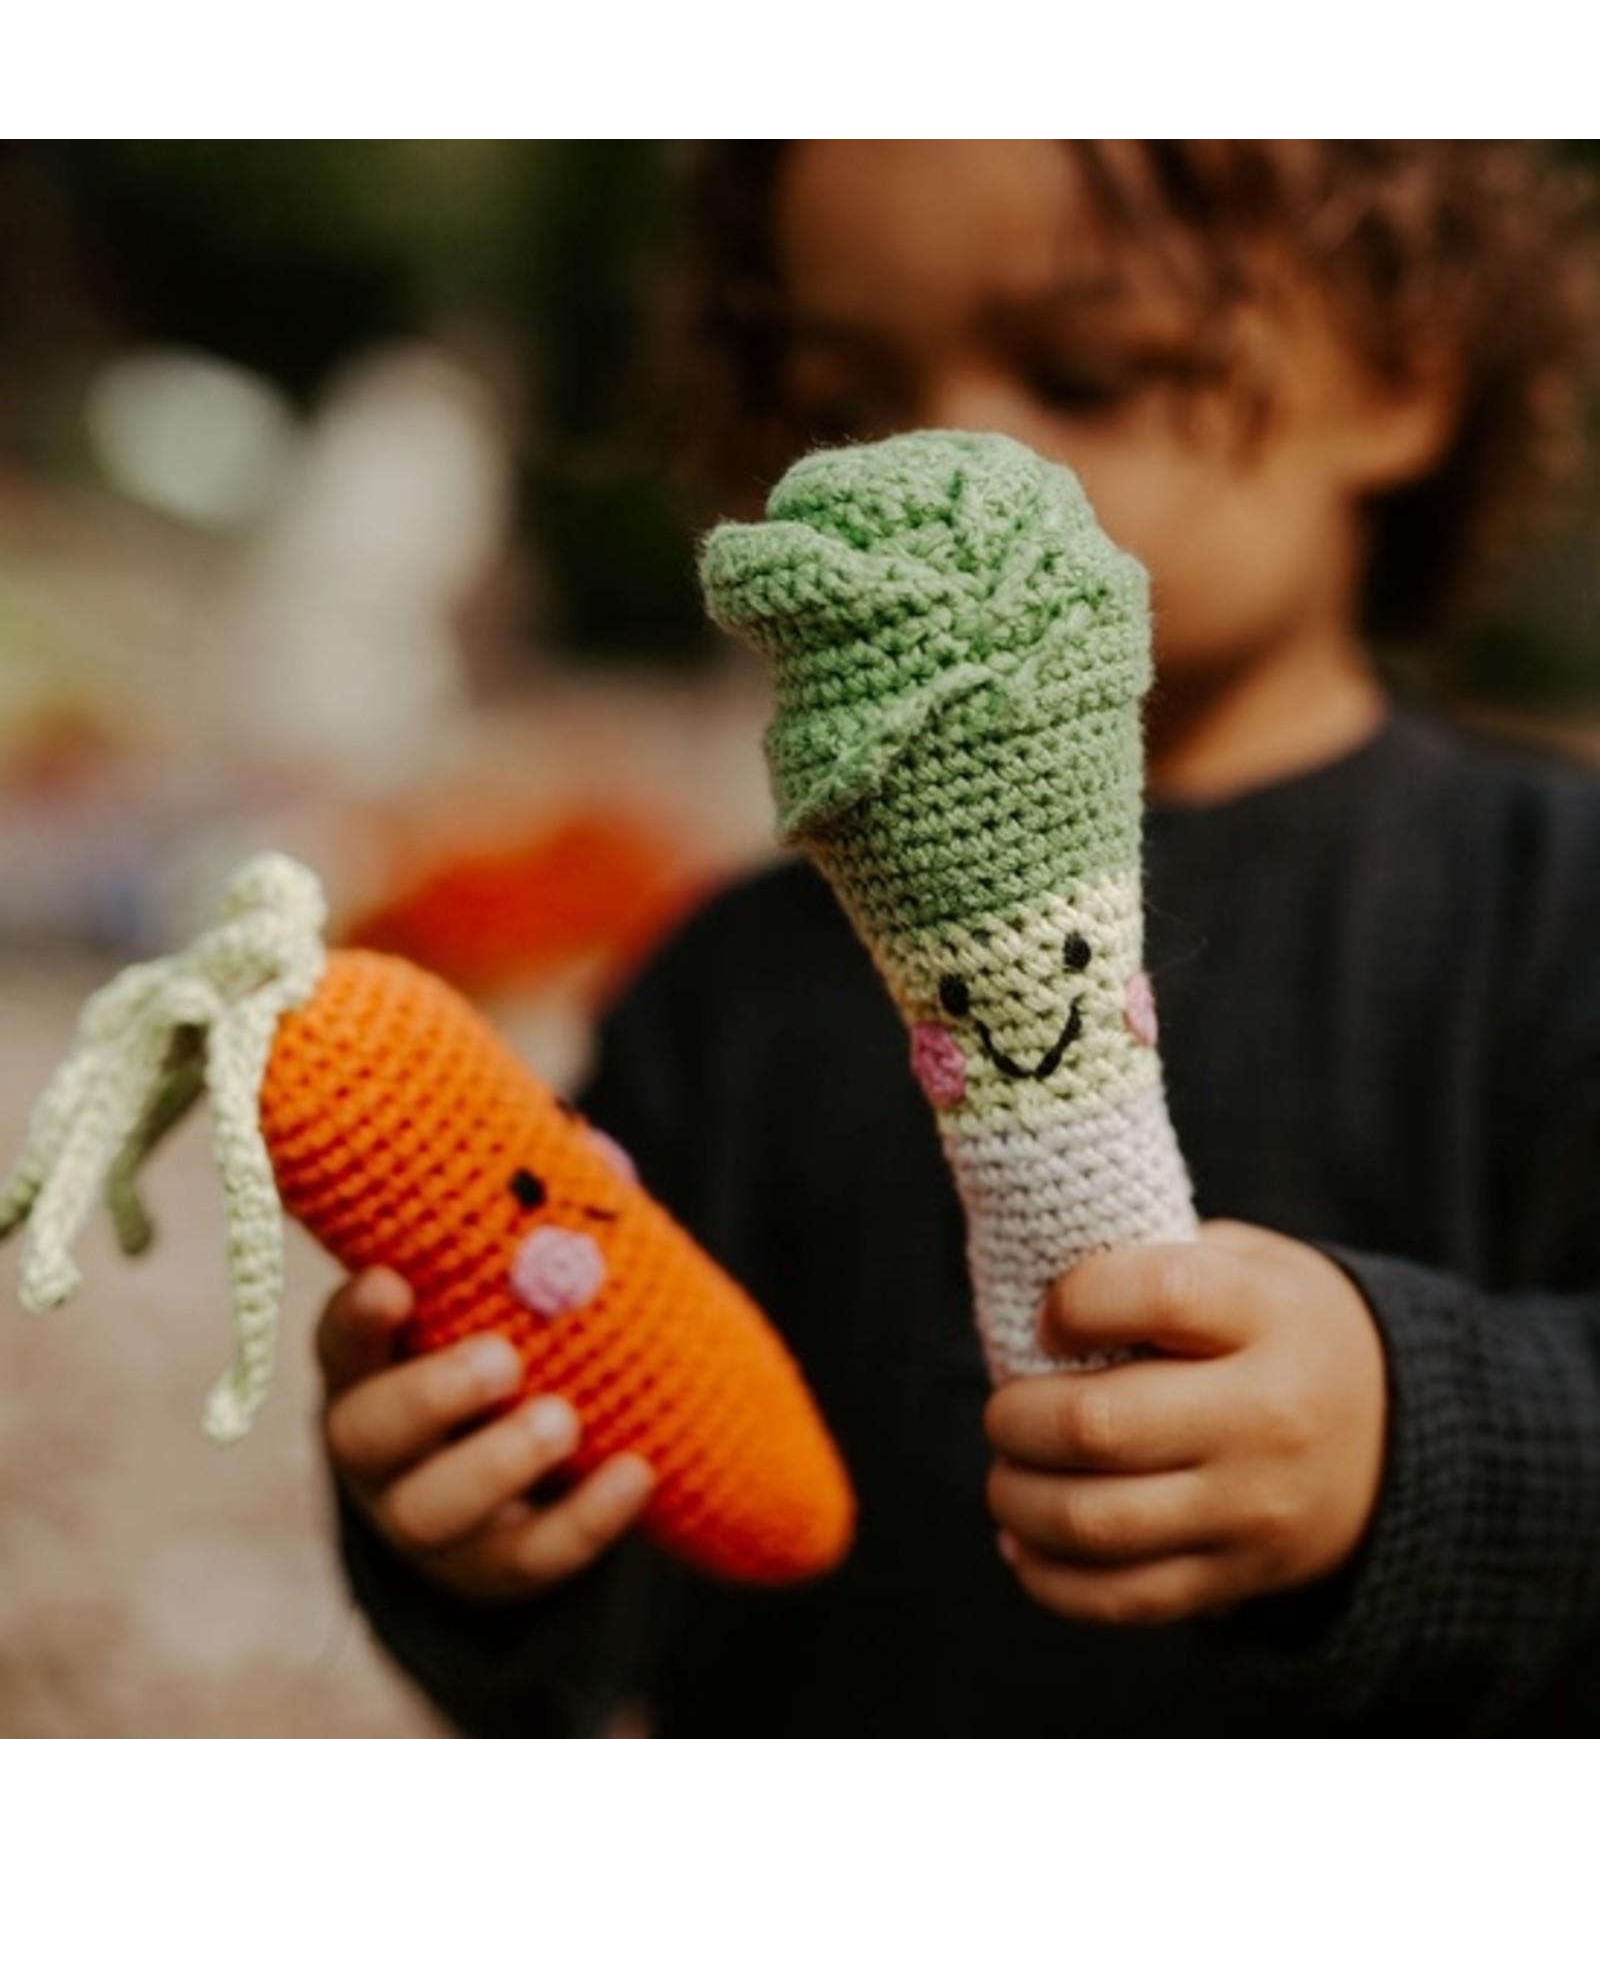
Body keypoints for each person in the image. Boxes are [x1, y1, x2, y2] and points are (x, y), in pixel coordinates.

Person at [319, 142, 1600, 1734]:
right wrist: (489, 1541)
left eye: (1086, 371)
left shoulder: (1552, 914)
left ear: (1402, 371)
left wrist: (1425, 1450)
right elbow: (638, 1586)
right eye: (848, 398)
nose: (948, 461)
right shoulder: (725, 998)